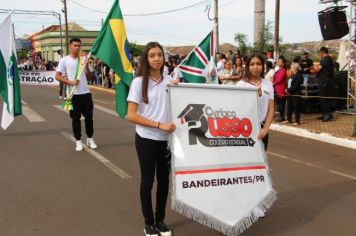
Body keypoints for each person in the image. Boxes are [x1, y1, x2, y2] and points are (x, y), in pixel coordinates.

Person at [127, 42, 176, 236]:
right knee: (148, 181)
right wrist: (158, 125)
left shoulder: (171, 80)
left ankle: (160, 220)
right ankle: (149, 223)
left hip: (167, 140)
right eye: (152, 55)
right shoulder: (139, 82)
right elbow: (131, 115)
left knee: (164, 182)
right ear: (146, 59)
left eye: (160, 55)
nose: (157, 59)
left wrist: (178, 91)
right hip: (146, 138)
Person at [55, 38, 97, 151]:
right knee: (76, 119)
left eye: (79, 45)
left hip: (86, 93)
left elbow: (89, 77)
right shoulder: (64, 60)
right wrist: (70, 82)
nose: (77, 47)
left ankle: (90, 138)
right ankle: (78, 141)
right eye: (75, 45)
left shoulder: (83, 59)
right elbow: (57, 76)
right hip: (73, 94)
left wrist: (87, 66)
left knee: (89, 118)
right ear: (70, 46)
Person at [236, 53, 274, 151]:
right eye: (252, 64)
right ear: (247, 66)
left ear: (263, 66)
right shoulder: (241, 85)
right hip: (244, 129)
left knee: (262, 161)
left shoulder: (268, 84)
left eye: (258, 64)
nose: (255, 67)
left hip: (261, 130)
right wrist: (253, 97)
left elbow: (271, 108)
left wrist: (265, 129)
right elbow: (237, 107)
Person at [314, 46, 334, 122]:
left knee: (323, 98)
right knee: (323, 98)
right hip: (327, 81)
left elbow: (317, 69)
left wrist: (314, 67)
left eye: (320, 52)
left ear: (322, 52)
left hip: (324, 82)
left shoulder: (325, 59)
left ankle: (327, 114)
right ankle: (325, 113)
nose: (320, 54)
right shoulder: (329, 59)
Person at [273, 56, 288, 122]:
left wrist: (273, 82)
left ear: (283, 64)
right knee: (279, 104)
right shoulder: (279, 70)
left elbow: (279, 80)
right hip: (276, 88)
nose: (278, 62)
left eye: (279, 62)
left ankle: (282, 117)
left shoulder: (283, 70)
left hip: (280, 89)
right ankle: (281, 116)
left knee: (281, 104)